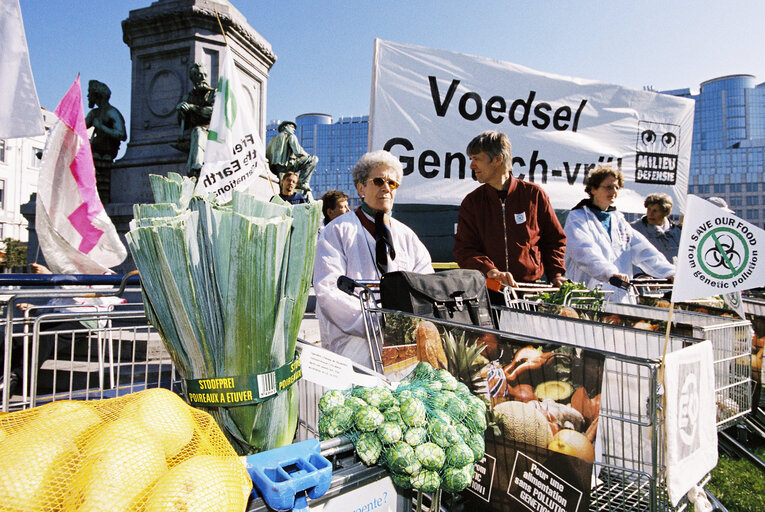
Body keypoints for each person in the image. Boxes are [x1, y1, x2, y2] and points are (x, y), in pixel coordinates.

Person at [313, 150, 433, 367]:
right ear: (361, 188)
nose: (386, 188)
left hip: (402, 349)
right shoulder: (337, 231)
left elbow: (426, 284)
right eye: (378, 181)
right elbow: (328, 290)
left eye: (393, 184)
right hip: (352, 348)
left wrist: (406, 326)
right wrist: (378, 323)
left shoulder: (407, 236)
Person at [453, 131, 567, 290]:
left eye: (477, 159)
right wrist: (490, 270)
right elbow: (464, 249)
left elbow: (554, 239)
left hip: (530, 292)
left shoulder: (534, 195)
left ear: (498, 159)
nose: (472, 166)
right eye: (471, 159)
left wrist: (556, 274)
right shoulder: (472, 202)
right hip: (490, 291)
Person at [564, 166, 675, 303]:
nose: (614, 192)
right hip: (587, 295)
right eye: (608, 187)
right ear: (593, 189)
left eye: (616, 187)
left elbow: (643, 250)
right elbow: (583, 252)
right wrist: (609, 273)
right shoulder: (577, 217)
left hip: (619, 297)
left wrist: (670, 272)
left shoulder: (618, 220)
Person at [85, 80, 127, 204]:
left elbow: (122, 135)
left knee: (101, 190)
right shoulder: (93, 113)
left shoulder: (111, 112)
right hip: (93, 157)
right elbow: (80, 128)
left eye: (89, 93)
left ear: (97, 94)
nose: (87, 96)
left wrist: (101, 126)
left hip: (105, 158)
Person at [174, 63, 215, 178]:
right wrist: (181, 111)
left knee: (198, 132)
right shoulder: (188, 97)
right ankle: (195, 169)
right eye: (198, 75)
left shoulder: (213, 93)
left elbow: (212, 112)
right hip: (195, 133)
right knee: (196, 132)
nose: (202, 77)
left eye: (204, 74)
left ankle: (197, 167)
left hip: (212, 132)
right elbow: (183, 123)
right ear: (193, 78)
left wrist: (192, 108)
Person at [265, 121, 318, 196]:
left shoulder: (272, 140)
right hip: (287, 166)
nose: (294, 130)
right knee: (313, 159)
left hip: (275, 169)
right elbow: (298, 152)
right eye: (292, 127)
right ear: (285, 127)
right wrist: (308, 156)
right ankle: (301, 182)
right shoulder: (290, 136)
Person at [630, 193, 682, 266]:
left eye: (655, 211)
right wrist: (640, 275)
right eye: (649, 209)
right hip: (646, 276)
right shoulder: (634, 229)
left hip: (673, 275)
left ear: (666, 212)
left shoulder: (679, 232)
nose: (650, 214)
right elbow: (630, 256)